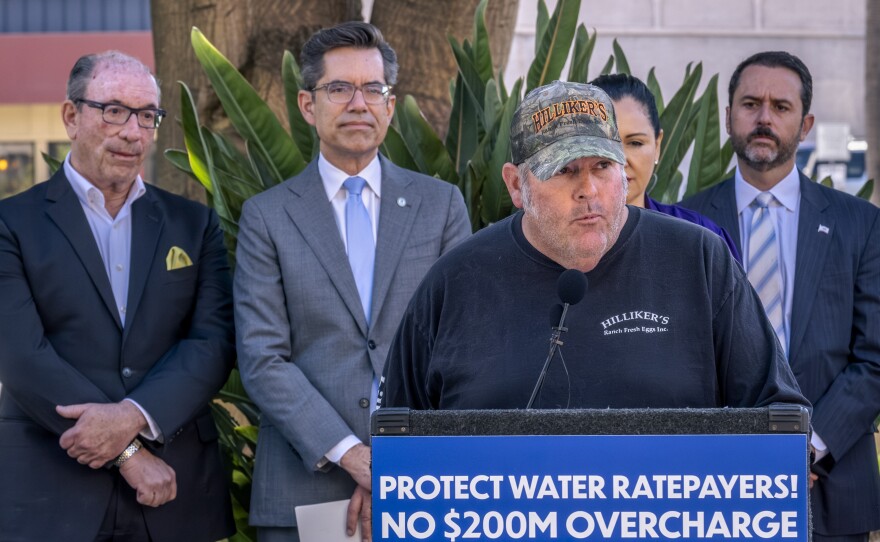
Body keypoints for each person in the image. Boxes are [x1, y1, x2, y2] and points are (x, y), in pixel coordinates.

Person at [380, 80, 808, 415]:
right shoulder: (455, 282)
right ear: (516, 184)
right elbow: (400, 436)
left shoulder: (698, 260)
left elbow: (778, 411)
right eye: (564, 171)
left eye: (602, 167)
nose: (589, 191)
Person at [234, 21, 471, 542]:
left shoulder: (441, 206)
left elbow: (461, 346)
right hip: (304, 490)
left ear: (391, 105)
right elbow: (262, 357)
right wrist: (353, 456)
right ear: (306, 105)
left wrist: (395, 458)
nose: (358, 103)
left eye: (374, 89)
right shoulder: (267, 217)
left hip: (422, 486)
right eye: (339, 88)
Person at [0, 51, 235, 541]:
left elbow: (212, 342)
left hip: (175, 494)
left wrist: (133, 417)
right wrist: (129, 453)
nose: (133, 132)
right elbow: (21, 355)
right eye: (114, 111)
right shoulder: (11, 225)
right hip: (51, 489)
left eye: (148, 115)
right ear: (71, 116)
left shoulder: (195, 225)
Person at [680, 51, 880, 542]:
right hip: (716, 486)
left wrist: (804, 448)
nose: (764, 118)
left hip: (830, 485)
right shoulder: (683, 223)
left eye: (781, 106)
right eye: (750, 103)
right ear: (728, 117)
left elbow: (874, 358)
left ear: (805, 123)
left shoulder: (860, 223)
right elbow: (678, 355)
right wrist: (745, 453)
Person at [590, 73, 741, 262]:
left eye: (635, 143)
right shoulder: (554, 239)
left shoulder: (700, 238)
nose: (620, 161)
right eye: (605, 144)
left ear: (657, 146)